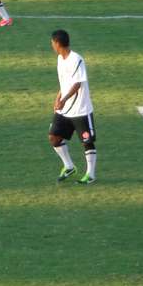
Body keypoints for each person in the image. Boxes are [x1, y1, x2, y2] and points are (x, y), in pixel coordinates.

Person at [48, 30, 97, 185]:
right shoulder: (60, 59)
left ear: (57, 43)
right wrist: (58, 99)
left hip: (80, 109)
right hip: (64, 108)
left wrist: (64, 99)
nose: (52, 45)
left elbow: (77, 83)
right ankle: (69, 166)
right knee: (54, 137)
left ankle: (91, 174)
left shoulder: (76, 60)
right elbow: (64, 82)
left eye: (52, 43)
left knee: (86, 142)